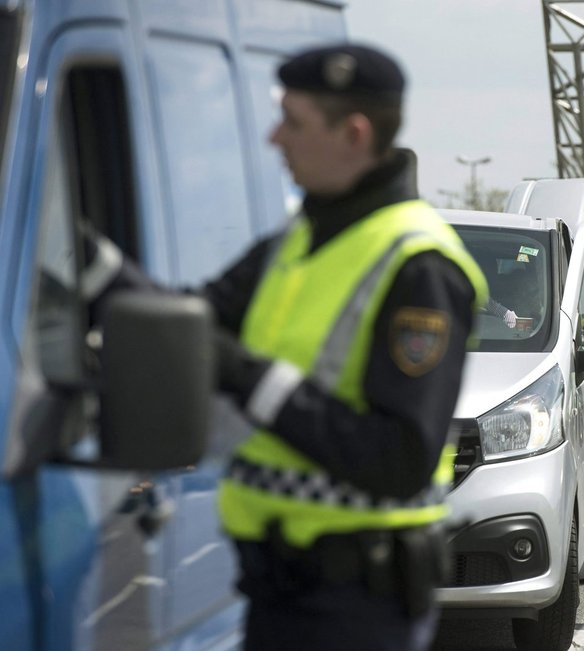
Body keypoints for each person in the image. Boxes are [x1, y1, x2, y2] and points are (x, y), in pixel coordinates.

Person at [85, 42, 488, 651]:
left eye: (293, 122)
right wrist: (84, 263)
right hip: (281, 587)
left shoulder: (419, 264)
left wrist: (249, 376)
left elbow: (399, 459)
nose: (275, 138)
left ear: (352, 134)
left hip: (357, 605)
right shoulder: (299, 237)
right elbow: (183, 324)